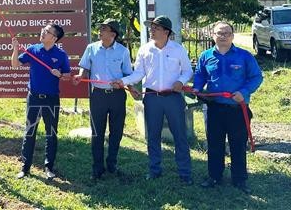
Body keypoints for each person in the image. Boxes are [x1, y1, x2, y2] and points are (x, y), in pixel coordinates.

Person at [112, 15, 194, 185]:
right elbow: (138, 73)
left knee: (180, 135)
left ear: (166, 32)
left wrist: (181, 81)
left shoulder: (178, 50)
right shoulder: (144, 50)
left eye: (156, 28)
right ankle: (154, 169)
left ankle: (185, 173)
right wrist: (124, 81)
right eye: (151, 27)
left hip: (173, 98)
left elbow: (187, 71)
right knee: (153, 136)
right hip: (152, 98)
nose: (152, 30)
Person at [193, 21, 263, 194]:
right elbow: (200, 75)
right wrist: (197, 88)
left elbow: (256, 77)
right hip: (213, 108)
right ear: (213, 35)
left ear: (232, 35)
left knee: (238, 144)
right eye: (219, 33)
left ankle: (239, 179)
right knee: (214, 144)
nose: (223, 36)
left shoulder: (244, 56)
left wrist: (244, 91)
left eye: (226, 33)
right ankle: (214, 177)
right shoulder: (205, 56)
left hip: (237, 108)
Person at [73, 19, 132, 180]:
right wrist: (80, 76)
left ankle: (112, 164)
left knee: (116, 132)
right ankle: (97, 168)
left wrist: (128, 86)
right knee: (97, 133)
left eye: (104, 29)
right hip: (98, 95)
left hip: (117, 96)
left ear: (113, 34)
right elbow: (84, 67)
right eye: (100, 28)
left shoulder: (123, 51)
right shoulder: (91, 48)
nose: (100, 31)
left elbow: (128, 73)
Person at [12, 24, 72, 180]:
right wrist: (15, 49)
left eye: (47, 31)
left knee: (51, 133)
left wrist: (59, 74)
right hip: (33, 98)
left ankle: (49, 167)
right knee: (29, 132)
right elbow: (15, 65)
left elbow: (67, 75)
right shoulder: (33, 50)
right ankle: (25, 167)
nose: (42, 32)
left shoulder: (61, 55)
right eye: (43, 30)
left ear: (54, 37)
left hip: (51, 99)